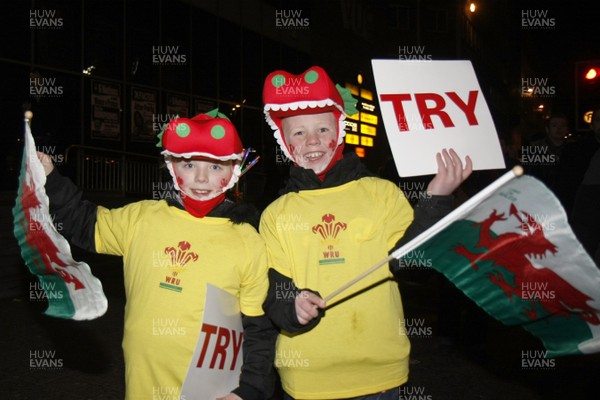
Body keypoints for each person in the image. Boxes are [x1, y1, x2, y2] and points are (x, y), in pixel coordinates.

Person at [259, 66, 472, 399]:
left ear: (339, 131)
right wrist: (292, 307)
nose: (312, 140)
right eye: (298, 133)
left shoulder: (381, 193)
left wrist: (436, 199)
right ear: (285, 142)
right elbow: (272, 287)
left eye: (322, 128)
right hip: (307, 378)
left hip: (379, 374)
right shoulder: (276, 214)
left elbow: (415, 261)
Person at [38, 110, 276, 400]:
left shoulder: (247, 241)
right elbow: (84, 223)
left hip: (216, 392)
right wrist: (50, 176)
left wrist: (247, 390)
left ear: (234, 171)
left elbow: (258, 328)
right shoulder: (142, 218)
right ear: (172, 166)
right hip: (144, 387)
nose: (201, 178)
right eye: (189, 164)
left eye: (215, 167)